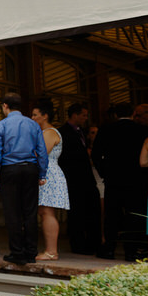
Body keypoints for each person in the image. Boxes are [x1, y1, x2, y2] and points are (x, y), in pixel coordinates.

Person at [0, 92, 48, 266]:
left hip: (9, 170)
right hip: (30, 169)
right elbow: (42, 150)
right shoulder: (33, 124)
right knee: (30, 212)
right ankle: (31, 252)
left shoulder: (1, 125)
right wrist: (42, 173)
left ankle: (17, 252)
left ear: (5, 106)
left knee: (12, 212)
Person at [91, 102, 148, 260]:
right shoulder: (142, 130)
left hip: (113, 179)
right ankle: (131, 251)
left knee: (111, 215)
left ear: (115, 114)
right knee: (135, 215)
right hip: (137, 180)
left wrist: (104, 172)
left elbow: (95, 154)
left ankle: (109, 248)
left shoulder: (106, 130)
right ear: (132, 114)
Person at [58, 104, 101, 255]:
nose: (85, 118)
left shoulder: (82, 132)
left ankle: (93, 244)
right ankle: (78, 245)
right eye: (83, 115)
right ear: (74, 115)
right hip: (73, 179)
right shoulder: (63, 132)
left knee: (92, 212)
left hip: (87, 179)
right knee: (76, 214)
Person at [31, 100, 70, 261]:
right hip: (46, 173)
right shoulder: (44, 132)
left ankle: (51, 251)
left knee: (47, 211)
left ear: (45, 115)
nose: (32, 117)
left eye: (35, 114)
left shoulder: (49, 132)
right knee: (44, 211)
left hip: (49, 174)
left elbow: (40, 155)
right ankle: (50, 250)